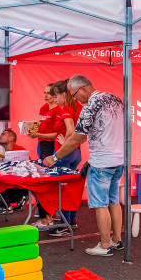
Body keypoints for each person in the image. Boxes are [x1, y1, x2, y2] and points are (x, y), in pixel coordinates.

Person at [43, 74, 124, 257]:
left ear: (82, 88)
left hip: (102, 162)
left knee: (100, 205)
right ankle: (116, 240)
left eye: (74, 94)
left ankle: (105, 246)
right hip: (119, 160)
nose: (75, 99)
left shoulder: (90, 107)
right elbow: (91, 133)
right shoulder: (115, 99)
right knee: (114, 201)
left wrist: (55, 157)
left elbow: (76, 139)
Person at [47, 79, 83, 238]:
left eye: (56, 96)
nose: (55, 100)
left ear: (63, 94)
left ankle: (62, 225)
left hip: (65, 153)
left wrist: (64, 144)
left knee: (62, 190)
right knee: (71, 187)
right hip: (76, 152)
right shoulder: (79, 106)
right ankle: (72, 220)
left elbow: (70, 129)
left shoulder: (67, 108)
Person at [28, 84, 61, 227]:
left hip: (50, 147)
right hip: (42, 145)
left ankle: (48, 218)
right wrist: (31, 131)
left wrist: (39, 134)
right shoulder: (45, 108)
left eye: (49, 93)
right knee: (42, 181)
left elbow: (58, 134)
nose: (46, 95)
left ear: (55, 94)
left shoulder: (58, 110)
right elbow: (38, 125)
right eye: (44, 92)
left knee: (46, 182)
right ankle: (47, 216)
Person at [0, 129, 29, 212]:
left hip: (18, 185)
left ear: (10, 138)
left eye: (3, 134)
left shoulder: (19, 151)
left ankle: (8, 205)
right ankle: (12, 202)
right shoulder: (6, 153)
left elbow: (28, 170)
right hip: (12, 185)